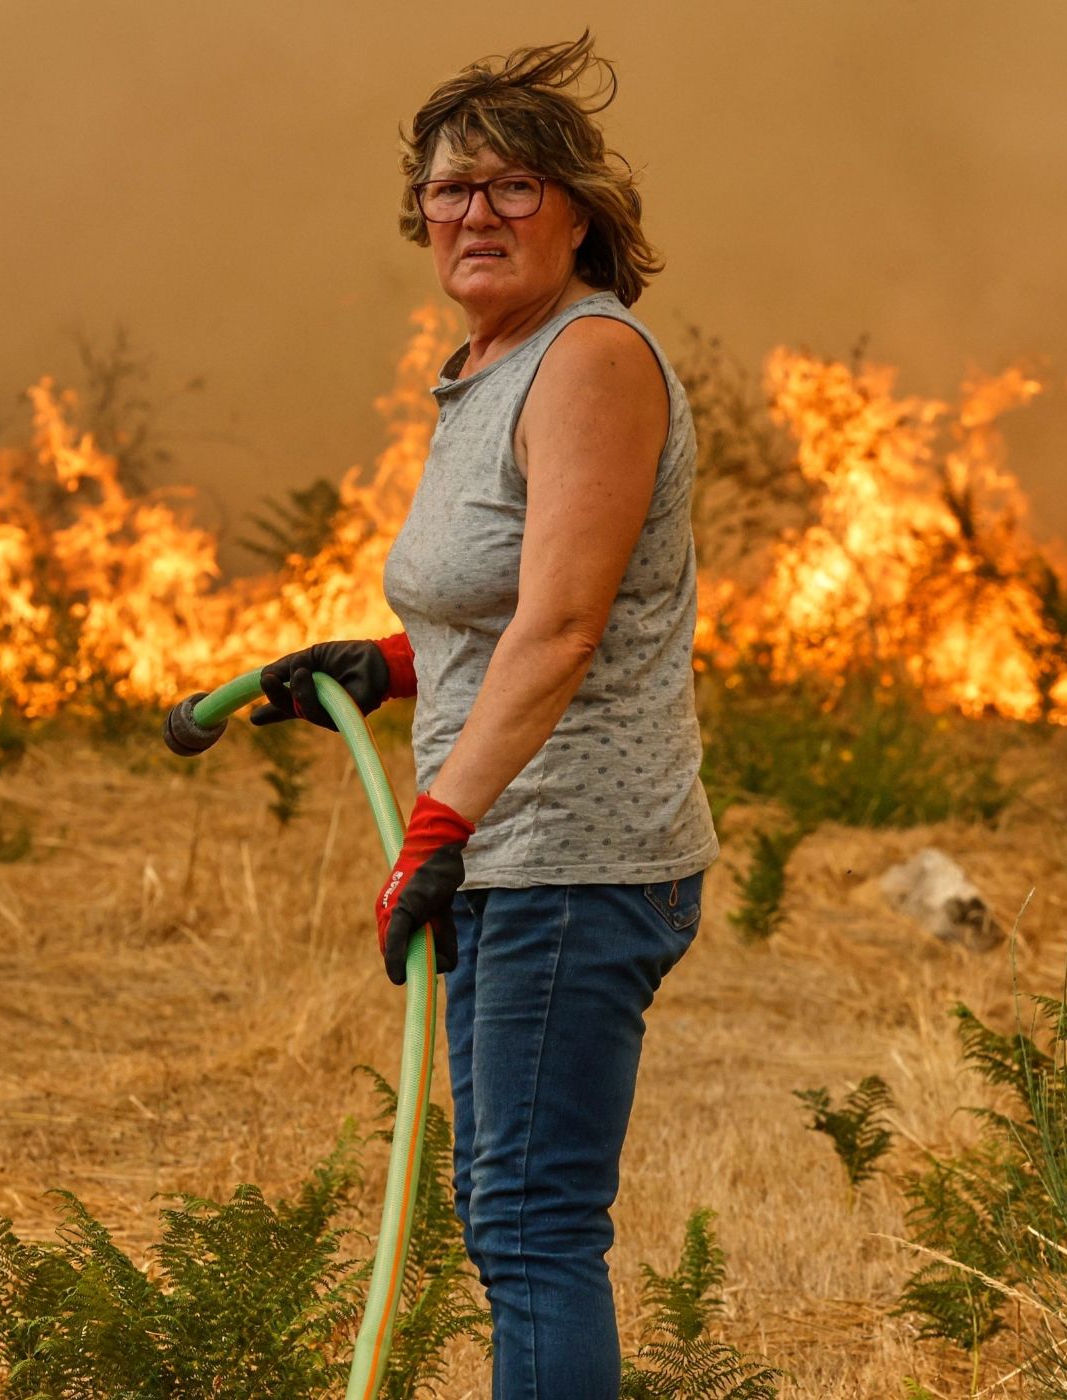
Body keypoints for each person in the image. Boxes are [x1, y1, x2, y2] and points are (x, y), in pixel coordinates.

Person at [253, 31, 719, 1400]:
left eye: (514, 187)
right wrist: (387, 665)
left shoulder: (589, 357)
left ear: (581, 212)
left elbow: (569, 624)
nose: (476, 214)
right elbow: (511, 598)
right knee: (511, 1217)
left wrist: (439, 818)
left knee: (529, 1229)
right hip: (513, 854)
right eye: (451, 192)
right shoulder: (490, 371)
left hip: (570, 854)